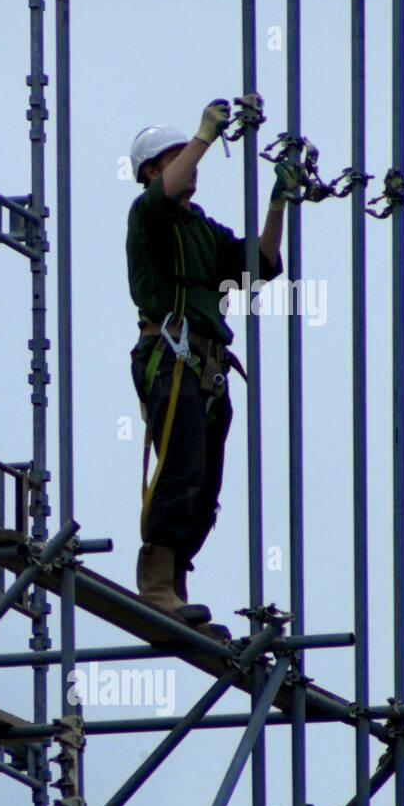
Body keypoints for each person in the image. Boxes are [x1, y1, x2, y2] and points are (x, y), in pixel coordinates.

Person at [125, 99, 298, 627]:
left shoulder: (201, 228)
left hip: (207, 366)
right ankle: (156, 583)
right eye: (175, 158)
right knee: (180, 468)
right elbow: (164, 195)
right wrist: (203, 135)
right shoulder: (149, 216)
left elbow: (259, 266)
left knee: (203, 483)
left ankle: (176, 583)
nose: (191, 166)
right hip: (170, 356)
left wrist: (278, 204)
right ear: (151, 171)